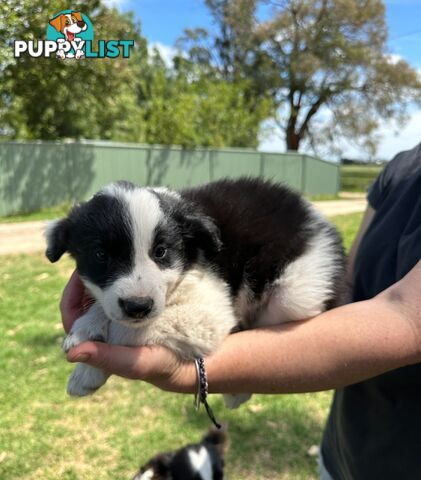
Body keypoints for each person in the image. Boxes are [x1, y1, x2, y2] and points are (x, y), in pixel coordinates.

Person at [62, 144, 421, 480]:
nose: (137, 289)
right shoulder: (402, 168)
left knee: (290, 304)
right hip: (347, 448)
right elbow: (357, 277)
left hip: (291, 269)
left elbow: (205, 324)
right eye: (106, 257)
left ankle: (249, 333)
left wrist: (113, 334)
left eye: (159, 254)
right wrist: (97, 316)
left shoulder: (185, 232)